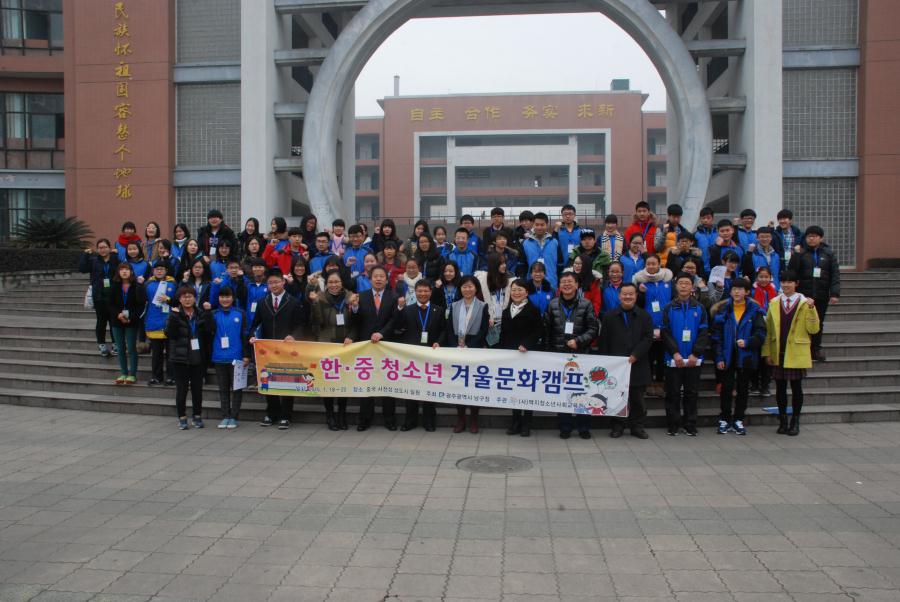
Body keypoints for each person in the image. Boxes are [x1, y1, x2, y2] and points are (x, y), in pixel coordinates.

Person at [762, 270, 820, 436]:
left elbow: (813, 329)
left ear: (796, 284)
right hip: (778, 350)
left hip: (796, 351)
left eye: (790, 282)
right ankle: (783, 421)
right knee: (780, 388)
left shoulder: (805, 303)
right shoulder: (774, 302)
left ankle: (795, 421)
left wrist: (812, 308)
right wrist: (767, 352)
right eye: (783, 281)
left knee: (796, 388)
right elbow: (769, 330)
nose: (786, 285)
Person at [249, 268, 307, 429]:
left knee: (287, 381)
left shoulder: (293, 302)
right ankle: (271, 413)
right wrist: (253, 336)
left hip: (288, 349)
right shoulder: (263, 302)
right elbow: (255, 324)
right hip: (268, 350)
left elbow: (301, 325)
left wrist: (293, 336)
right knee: (269, 380)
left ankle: (286, 415)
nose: (274, 285)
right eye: (270, 283)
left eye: (276, 282)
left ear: (283, 282)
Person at [544, 271, 599, 439]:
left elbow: (593, 329)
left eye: (570, 282)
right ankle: (565, 426)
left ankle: (584, 427)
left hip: (581, 355)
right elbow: (547, 330)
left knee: (582, 391)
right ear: (559, 286)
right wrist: (548, 353)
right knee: (563, 392)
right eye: (563, 282)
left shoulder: (586, 304)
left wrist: (579, 341)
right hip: (559, 356)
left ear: (577, 285)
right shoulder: (552, 304)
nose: (566, 285)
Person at [711, 277, 766, 435]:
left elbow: (761, 334)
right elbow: (716, 336)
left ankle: (738, 419)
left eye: (740, 289)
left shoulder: (755, 310)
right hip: (727, 355)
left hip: (746, 356)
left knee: (743, 389)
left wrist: (748, 342)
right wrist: (719, 357)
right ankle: (725, 418)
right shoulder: (723, 309)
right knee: (726, 388)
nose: (736, 292)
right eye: (734, 289)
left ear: (747, 292)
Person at [598, 282, 653, 439]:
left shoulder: (644, 316)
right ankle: (617, 425)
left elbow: (647, 339)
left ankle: (637, 426)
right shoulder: (609, 316)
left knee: (637, 399)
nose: (627, 296)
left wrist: (635, 355)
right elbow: (604, 341)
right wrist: (606, 364)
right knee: (616, 397)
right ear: (619, 296)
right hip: (616, 367)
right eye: (624, 294)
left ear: (636, 296)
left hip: (637, 363)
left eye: (631, 294)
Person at [352, 265, 400, 431]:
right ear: (370, 279)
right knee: (367, 383)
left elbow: (394, 320)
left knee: (388, 383)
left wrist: (382, 333)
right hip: (367, 346)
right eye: (375, 276)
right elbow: (356, 321)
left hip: (386, 346)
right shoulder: (361, 296)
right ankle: (365, 418)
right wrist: (355, 307)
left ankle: (390, 418)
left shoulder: (393, 297)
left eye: (382, 276)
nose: (378, 279)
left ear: (386, 280)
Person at [661, 274, 710, 436]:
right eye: (680, 283)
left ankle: (690, 424)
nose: (683, 286)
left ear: (692, 287)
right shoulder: (668, 307)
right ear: (676, 286)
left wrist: (695, 353)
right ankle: (673, 424)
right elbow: (665, 332)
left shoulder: (699, 308)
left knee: (691, 393)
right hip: (673, 359)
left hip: (693, 359)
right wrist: (674, 353)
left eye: (687, 283)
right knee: (673, 393)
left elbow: (703, 332)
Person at [395, 280, 447, 431]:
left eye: (426, 291)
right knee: (411, 390)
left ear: (431, 292)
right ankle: (410, 421)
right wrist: (399, 308)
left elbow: (444, 330)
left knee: (429, 390)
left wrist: (439, 342)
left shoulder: (439, 310)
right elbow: (398, 327)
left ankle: (429, 421)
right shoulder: (407, 310)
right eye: (420, 291)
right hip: (412, 357)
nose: (423, 294)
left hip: (431, 356)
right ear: (415, 292)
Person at [310, 270, 358, 431]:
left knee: (344, 382)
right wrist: (315, 304)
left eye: (337, 281)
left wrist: (351, 336)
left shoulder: (350, 297)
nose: (334, 285)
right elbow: (317, 322)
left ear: (342, 282)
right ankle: (330, 415)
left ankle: (342, 415)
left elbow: (357, 322)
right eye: (330, 282)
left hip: (345, 346)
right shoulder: (320, 297)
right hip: (327, 345)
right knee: (328, 382)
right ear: (326, 284)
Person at [445, 275, 490, 433]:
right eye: (464, 286)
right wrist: (455, 346)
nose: (467, 289)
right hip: (457, 349)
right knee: (459, 385)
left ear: (476, 288)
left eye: (470, 286)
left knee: (473, 385)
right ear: (460, 289)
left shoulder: (482, 306)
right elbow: (449, 328)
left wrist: (469, 345)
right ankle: (461, 419)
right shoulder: (454, 305)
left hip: (474, 349)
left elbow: (484, 330)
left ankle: (474, 419)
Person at [788, 225, 840, 362]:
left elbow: (835, 274)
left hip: (822, 294)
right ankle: (802, 347)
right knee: (801, 322)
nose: (811, 239)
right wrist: (796, 255)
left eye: (814, 236)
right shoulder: (801, 252)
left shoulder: (828, 253)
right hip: (803, 295)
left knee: (818, 322)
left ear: (820, 238)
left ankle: (816, 348)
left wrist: (835, 293)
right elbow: (792, 271)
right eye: (809, 236)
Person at [204, 286, 251, 429]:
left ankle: (234, 417)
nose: (225, 299)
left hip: (237, 357)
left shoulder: (240, 313)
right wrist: (207, 312)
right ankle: (225, 416)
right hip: (219, 357)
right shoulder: (213, 314)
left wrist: (246, 355)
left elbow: (246, 334)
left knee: (237, 389)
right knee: (223, 389)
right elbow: (208, 330)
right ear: (218, 298)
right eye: (222, 297)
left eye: (228, 296)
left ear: (233, 298)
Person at [500, 279, 542, 436]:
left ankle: (527, 423)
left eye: (520, 290)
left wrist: (527, 344)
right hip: (511, 357)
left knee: (526, 389)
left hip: (527, 355)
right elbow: (503, 334)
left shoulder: (533, 310)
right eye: (513, 290)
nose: (516, 293)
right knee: (514, 390)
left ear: (527, 292)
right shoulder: (506, 311)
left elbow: (539, 331)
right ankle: (515, 421)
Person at [166, 286, 208, 430]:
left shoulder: (200, 313)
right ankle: (182, 417)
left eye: (190, 296)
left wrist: (208, 313)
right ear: (179, 299)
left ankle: (197, 416)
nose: (187, 299)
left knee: (197, 389)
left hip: (197, 356)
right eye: (184, 297)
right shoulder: (175, 314)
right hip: (180, 358)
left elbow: (208, 331)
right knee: (182, 389)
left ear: (195, 298)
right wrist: (174, 317)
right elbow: (170, 334)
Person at [633, 254, 674, 396]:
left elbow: (673, 300)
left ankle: (660, 382)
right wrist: (641, 293)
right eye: (648, 264)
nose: (651, 266)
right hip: (647, 325)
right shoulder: (639, 281)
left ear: (659, 264)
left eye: (653, 263)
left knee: (662, 356)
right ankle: (649, 383)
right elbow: (637, 305)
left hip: (665, 325)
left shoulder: (668, 280)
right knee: (649, 356)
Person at [80, 239, 120, 357]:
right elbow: (82, 268)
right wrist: (85, 255)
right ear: (97, 249)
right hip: (99, 296)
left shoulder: (115, 259)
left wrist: (116, 254)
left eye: (105, 247)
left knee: (114, 321)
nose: (103, 250)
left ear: (109, 248)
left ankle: (115, 344)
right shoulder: (94, 261)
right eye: (100, 248)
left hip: (113, 296)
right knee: (101, 322)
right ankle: (101, 344)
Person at [108, 262, 146, 385]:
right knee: (120, 348)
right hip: (117, 321)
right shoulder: (114, 286)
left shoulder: (136, 286)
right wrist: (118, 314)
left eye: (127, 269)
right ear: (118, 272)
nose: (124, 272)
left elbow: (141, 305)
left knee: (131, 348)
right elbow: (110, 304)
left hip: (132, 321)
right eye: (122, 269)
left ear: (131, 272)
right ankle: (123, 372)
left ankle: (132, 374)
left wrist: (131, 317)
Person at [144, 261, 177, 386]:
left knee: (170, 353)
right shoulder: (148, 284)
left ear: (166, 271)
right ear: (153, 271)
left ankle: (171, 377)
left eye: (162, 269)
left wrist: (168, 299)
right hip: (154, 321)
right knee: (156, 354)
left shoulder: (173, 283)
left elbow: (178, 301)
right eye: (157, 269)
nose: (159, 271)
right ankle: (156, 376)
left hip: (170, 321)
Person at [474, 252, 511, 347]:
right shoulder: (482, 282)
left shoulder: (509, 281)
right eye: (501, 264)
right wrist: (487, 317)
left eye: (505, 263)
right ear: (494, 265)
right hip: (488, 324)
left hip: (504, 323)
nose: (504, 266)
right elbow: (478, 304)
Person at [523, 212, 560, 289]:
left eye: (542, 225)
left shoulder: (554, 242)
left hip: (551, 284)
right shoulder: (525, 243)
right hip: (531, 285)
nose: (539, 227)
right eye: (537, 225)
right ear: (533, 225)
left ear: (547, 225)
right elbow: (523, 265)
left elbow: (560, 264)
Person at [555, 203, 582, 270]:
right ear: (562, 215)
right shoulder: (558, 230)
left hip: (578, 266)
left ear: (574, 215)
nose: (567, 216)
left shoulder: (580, 231)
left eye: (570, 214)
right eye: (565, 214)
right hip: (561, 266)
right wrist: (555, 230)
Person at [694, 207, 717, 277]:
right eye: (703, 218)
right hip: (701, 268)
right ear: (700, 219)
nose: (705, 220)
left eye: (708, 218)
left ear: (712, 218)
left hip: (716, 268)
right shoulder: (695, 235)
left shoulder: (718, 233)